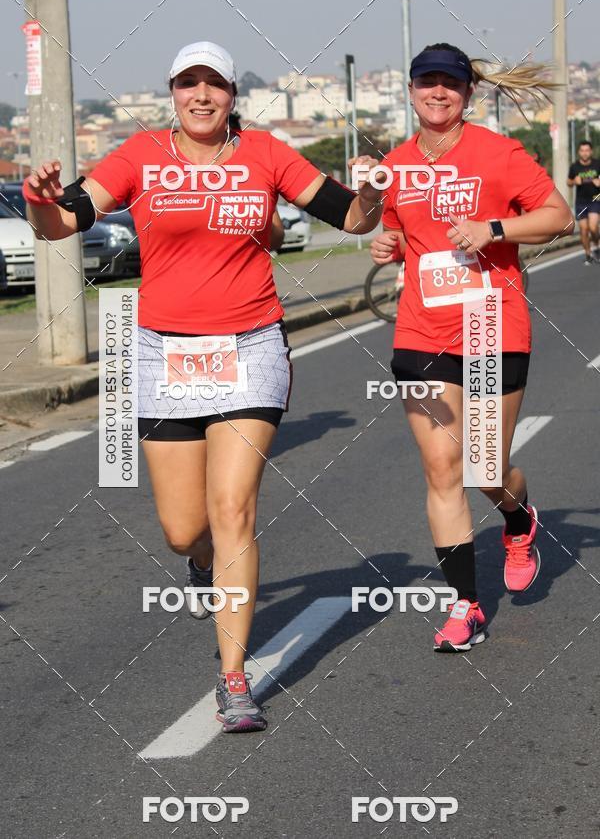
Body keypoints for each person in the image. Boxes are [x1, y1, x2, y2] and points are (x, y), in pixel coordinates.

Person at [23, 41, 384, 731]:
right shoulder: (138, 155)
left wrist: (369, 192)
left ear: (231, 95)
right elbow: (62, 223)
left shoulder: (269, 154)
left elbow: (354, 218)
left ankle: (234, 679)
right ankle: (201, 565)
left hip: (251, 349)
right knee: (185, 528)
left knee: (234, 508)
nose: (201, 95)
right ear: (173, 93)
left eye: (214, 84)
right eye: (188, 83)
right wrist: (41, 203)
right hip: (163, 357)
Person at [370, 43, 573, 652]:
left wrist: (495, 229)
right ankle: (466, 606)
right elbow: (396, 227)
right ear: (409, 90)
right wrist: (387, 243)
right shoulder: (397, 164)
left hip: (491, 322)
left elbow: (558, 214)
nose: (438, 92)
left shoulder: (497, 153)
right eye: (427, 82)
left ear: (467, 93)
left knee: (485, 465)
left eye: (449, 84)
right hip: (421, 330)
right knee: (441, 470)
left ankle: (517, 519)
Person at [567, 140, 600, 264]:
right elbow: (568, 182)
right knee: (583, 229)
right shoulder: (574, 167)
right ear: (579, 152)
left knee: (593, 226)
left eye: (587, 150)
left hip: (595, 199)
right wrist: (574, 181)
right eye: (582, 151)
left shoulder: (597, 164)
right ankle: (588, 254)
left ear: (591, 151)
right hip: (581, 202)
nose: (585, 153)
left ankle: (596, 246)